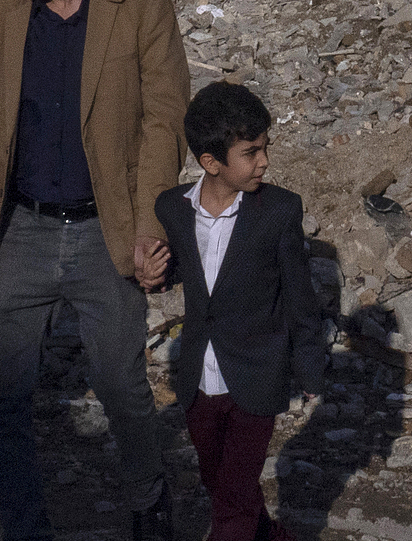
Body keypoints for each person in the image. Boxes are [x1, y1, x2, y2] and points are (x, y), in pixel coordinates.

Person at [0, 0, 190, 541]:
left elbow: (162, 125)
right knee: (2, 396)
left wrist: (149, 228)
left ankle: (148, 499)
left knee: (121, 385)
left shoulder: (141, 8)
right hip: (20, 230)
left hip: (103, 229)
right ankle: (23, 524)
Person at [154, 82, 326, 541]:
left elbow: (299, 298)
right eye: (251, 153)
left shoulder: (279, 211)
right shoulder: (172, 208)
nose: (264, 162)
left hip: (257, 374)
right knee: (221, 484)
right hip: (198, 377)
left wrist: (309, 371)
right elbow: (177, 273)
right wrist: (152, 273)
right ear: (211, 162)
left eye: (265, 148)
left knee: (231, 499)